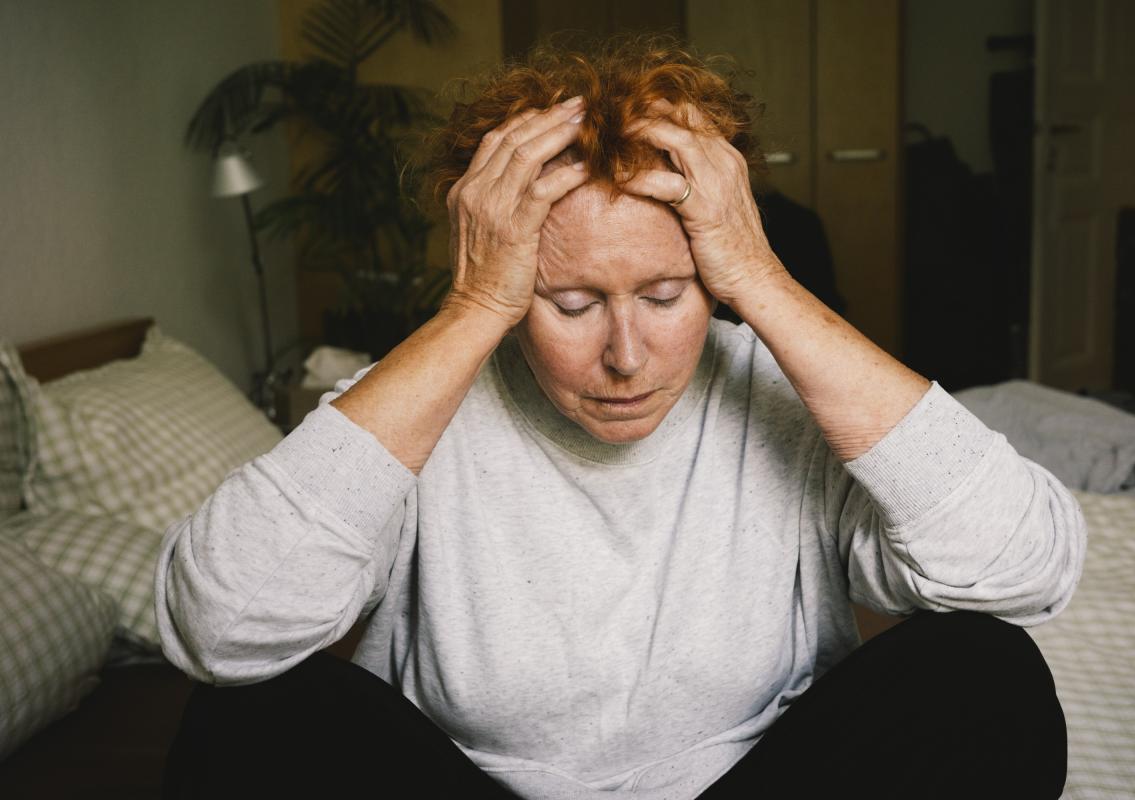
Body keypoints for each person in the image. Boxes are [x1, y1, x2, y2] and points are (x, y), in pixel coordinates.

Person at [158, 36, 1084, 799]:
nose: (627, 355)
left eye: (667, 294)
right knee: (246, 714)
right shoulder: (420, 403)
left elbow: (1029, 570)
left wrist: (762, 282)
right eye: (569, 304)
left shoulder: (783, 392)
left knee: (985, 676)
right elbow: (218, 628)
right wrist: (471, 310)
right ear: (509, 282)